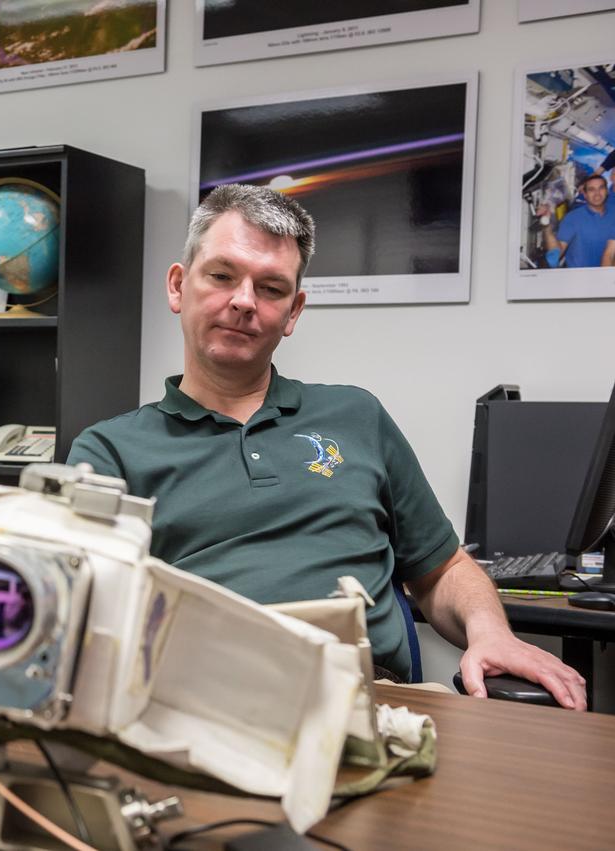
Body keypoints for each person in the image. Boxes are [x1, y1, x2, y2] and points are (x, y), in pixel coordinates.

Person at [68, 183, 587, 709]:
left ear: (293, 312)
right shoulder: (111, 451)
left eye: (271, 288)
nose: (244, 301)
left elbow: (445, 569)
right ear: (179, 286)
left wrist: (490, 632)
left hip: (374, 702)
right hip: (203, 706)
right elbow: (89, 623)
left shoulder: (356, 416)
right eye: (222, 276)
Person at [538, 172, 615, 268]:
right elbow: (555, 256)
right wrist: (547, 226)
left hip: (608, 278)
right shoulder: (573, 218)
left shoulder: (613, 213)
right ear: (585, 194)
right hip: (579, 279)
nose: (597, 194)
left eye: (601, 188)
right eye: (591, 190)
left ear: (607, 191)